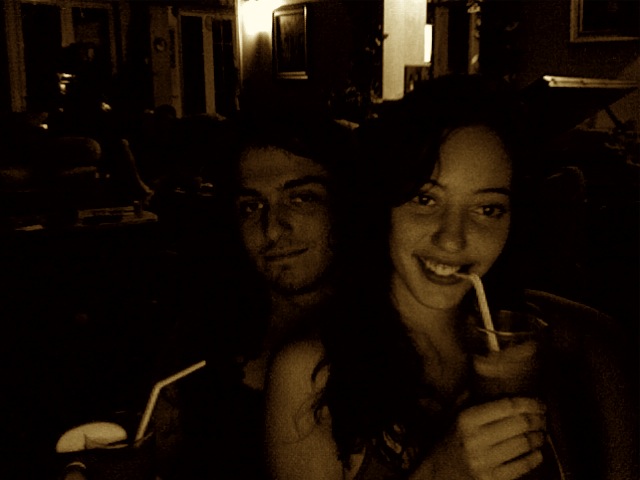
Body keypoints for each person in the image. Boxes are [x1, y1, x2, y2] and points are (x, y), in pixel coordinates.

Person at [265, 75, 638, 480]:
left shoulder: (529, 338)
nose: (452, 239)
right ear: (383, 204)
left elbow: (604, 339)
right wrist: (442, 470)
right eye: (426, 199)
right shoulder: (308, 373)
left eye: (488, 209)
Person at [153, 112, 356, 480]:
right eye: (251, 206)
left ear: (346, 205)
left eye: (301, 198)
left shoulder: (383, 344)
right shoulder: (206, 333)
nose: (272, 229)